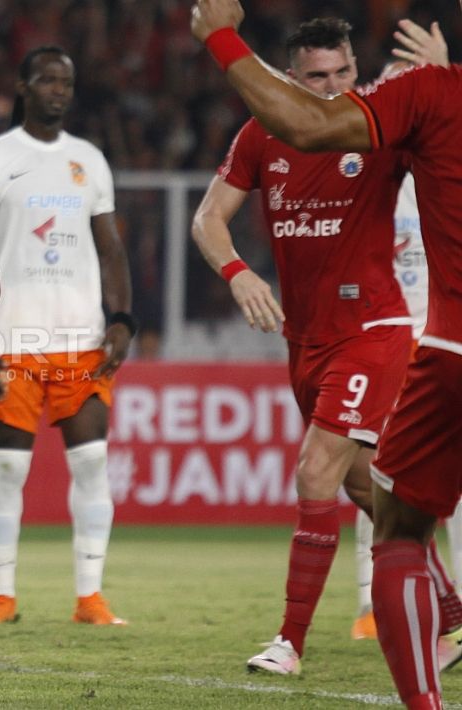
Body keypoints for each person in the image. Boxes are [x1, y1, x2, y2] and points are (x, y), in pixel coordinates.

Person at [192, 1, 462, 705]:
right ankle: (456, 617)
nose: (336, 86)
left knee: (315, 471)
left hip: (374, 331)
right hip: (305, 339)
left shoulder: (377, 125)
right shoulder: (260, 135)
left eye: (346, 71)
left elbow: (441, 134)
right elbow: (207, 220)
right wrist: (238, 272)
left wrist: (436, 78)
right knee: (368, 487)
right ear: (291, 76)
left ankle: (290, 641)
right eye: (318, 77)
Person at [0, 46, 134, 626]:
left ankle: (90, 596)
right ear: (23, 85)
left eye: (66, 81)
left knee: (91, 462)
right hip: (9, 339)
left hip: (80, 340)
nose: (58, 90)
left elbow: (110, 247)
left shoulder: (88, 160)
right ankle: (1, 597)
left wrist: (123, 318)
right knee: (9, 468)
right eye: (47, 80)